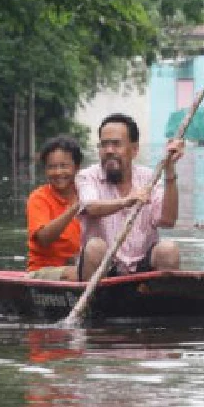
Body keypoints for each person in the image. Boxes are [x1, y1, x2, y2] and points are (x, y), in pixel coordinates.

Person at [75, 113, 186, 280]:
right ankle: (95, 297)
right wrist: (126, 201)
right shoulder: (87, 176)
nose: (109, 151)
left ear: (134, 150)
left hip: (142, 266)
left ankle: (162, 296)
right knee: (95, 248)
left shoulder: (149, 178)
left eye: (116, 144)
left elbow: (168, 221)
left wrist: (169, 170)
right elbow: (90, 207)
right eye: (104, 145)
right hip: (105, 267)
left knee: (169, 250)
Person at [26, 135, 84, 281]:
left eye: (64, 166)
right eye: (52, 167)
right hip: (43, 271)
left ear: (76, 167)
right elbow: (44, 239)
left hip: (81, 267)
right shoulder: (38, 198)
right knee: (78, 273)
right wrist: (74, 208)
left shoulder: (87, 193)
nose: (58, 172)